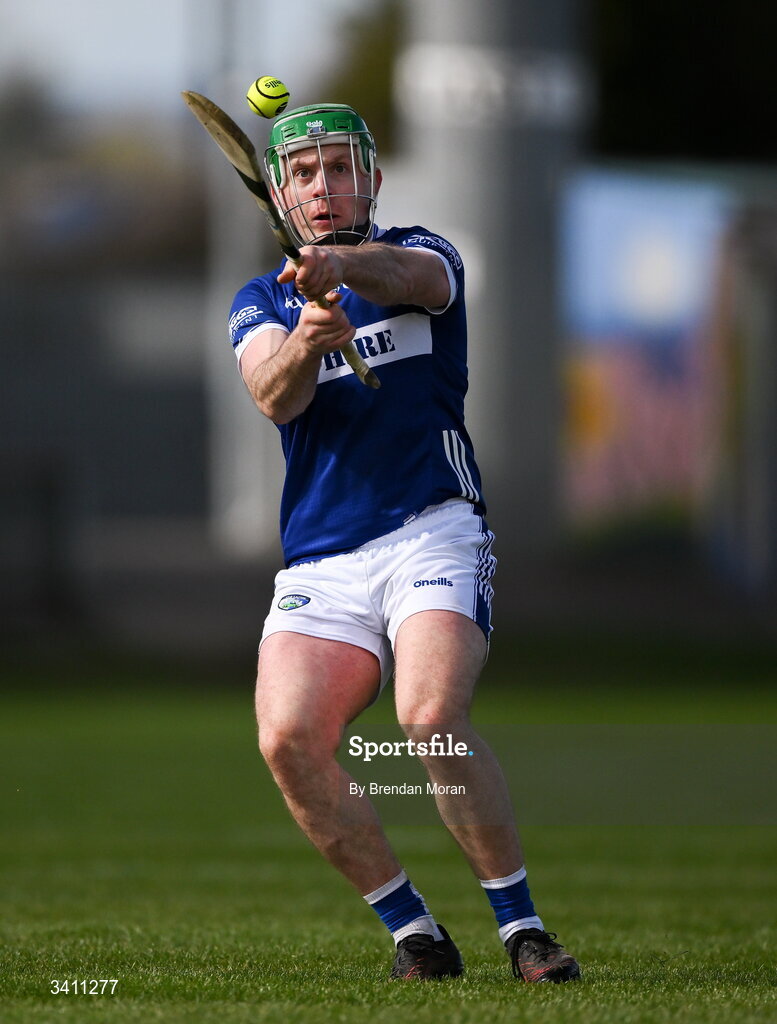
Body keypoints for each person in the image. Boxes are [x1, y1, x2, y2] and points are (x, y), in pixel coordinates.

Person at [228, 102, 580, 983]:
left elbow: (412, 279)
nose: (322, 185)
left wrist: (341, 269)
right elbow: (274, 396)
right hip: (322, 558)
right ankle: (414, 932)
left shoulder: (425, 252)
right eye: (303, 173)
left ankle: (521, 929)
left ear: (372, 179)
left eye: (339, 168)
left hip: (432, 528)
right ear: (280, 191)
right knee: (287, 738)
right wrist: (309, 336)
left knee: (427, 717)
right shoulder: (260, 300)